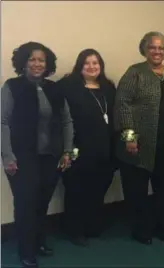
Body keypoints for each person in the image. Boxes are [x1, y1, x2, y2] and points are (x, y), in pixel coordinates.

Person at [1, 42, 73, 268]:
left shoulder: (54, 88)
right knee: (25, 205)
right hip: (22, 158)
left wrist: (67, 151)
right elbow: (2, 122)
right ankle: (26, 251)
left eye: (41, 60)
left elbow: (66, 121)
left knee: (42, 203)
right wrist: (7, 156)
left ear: (47, 63)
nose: (37, 63)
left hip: (49, 157)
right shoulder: (11, 87)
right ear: (23, 62)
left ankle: (39, 241)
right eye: (32, 59)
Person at [114, 31, 164, 245]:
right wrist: (129, 137)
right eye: (152, 47)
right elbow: (122, 105)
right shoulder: (135, 73)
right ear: (145, 49)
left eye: (161, 47)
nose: (157, 51)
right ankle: (141, 229)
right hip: (139, 144)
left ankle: (163, 226)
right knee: (138, 191)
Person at [58, 49, 117, 246]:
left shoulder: (108, 87)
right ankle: (75, 230)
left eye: (96, 63)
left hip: (103, 149)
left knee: (98, 189)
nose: (92, 67)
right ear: (79, 66)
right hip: (78, 149)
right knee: (76, 191)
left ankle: (93, 225)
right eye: (87, 63)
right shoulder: (68, 86)